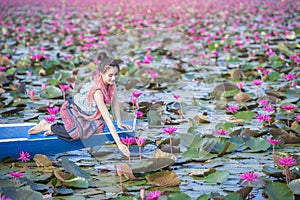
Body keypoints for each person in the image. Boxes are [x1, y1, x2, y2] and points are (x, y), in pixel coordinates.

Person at [28, 53, 131, 158]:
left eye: (116, 75)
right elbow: (107, 118)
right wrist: (119, 143)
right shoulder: (98, 92)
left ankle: (59, 128)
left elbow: (114, 103)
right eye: (110, 75)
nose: (113, 78)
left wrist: (119, 122)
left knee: (97, 128)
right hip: (72, 109)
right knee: (77, 133)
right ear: (101, 74)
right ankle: (47, 126)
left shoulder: (111, 85)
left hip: (87, 114)